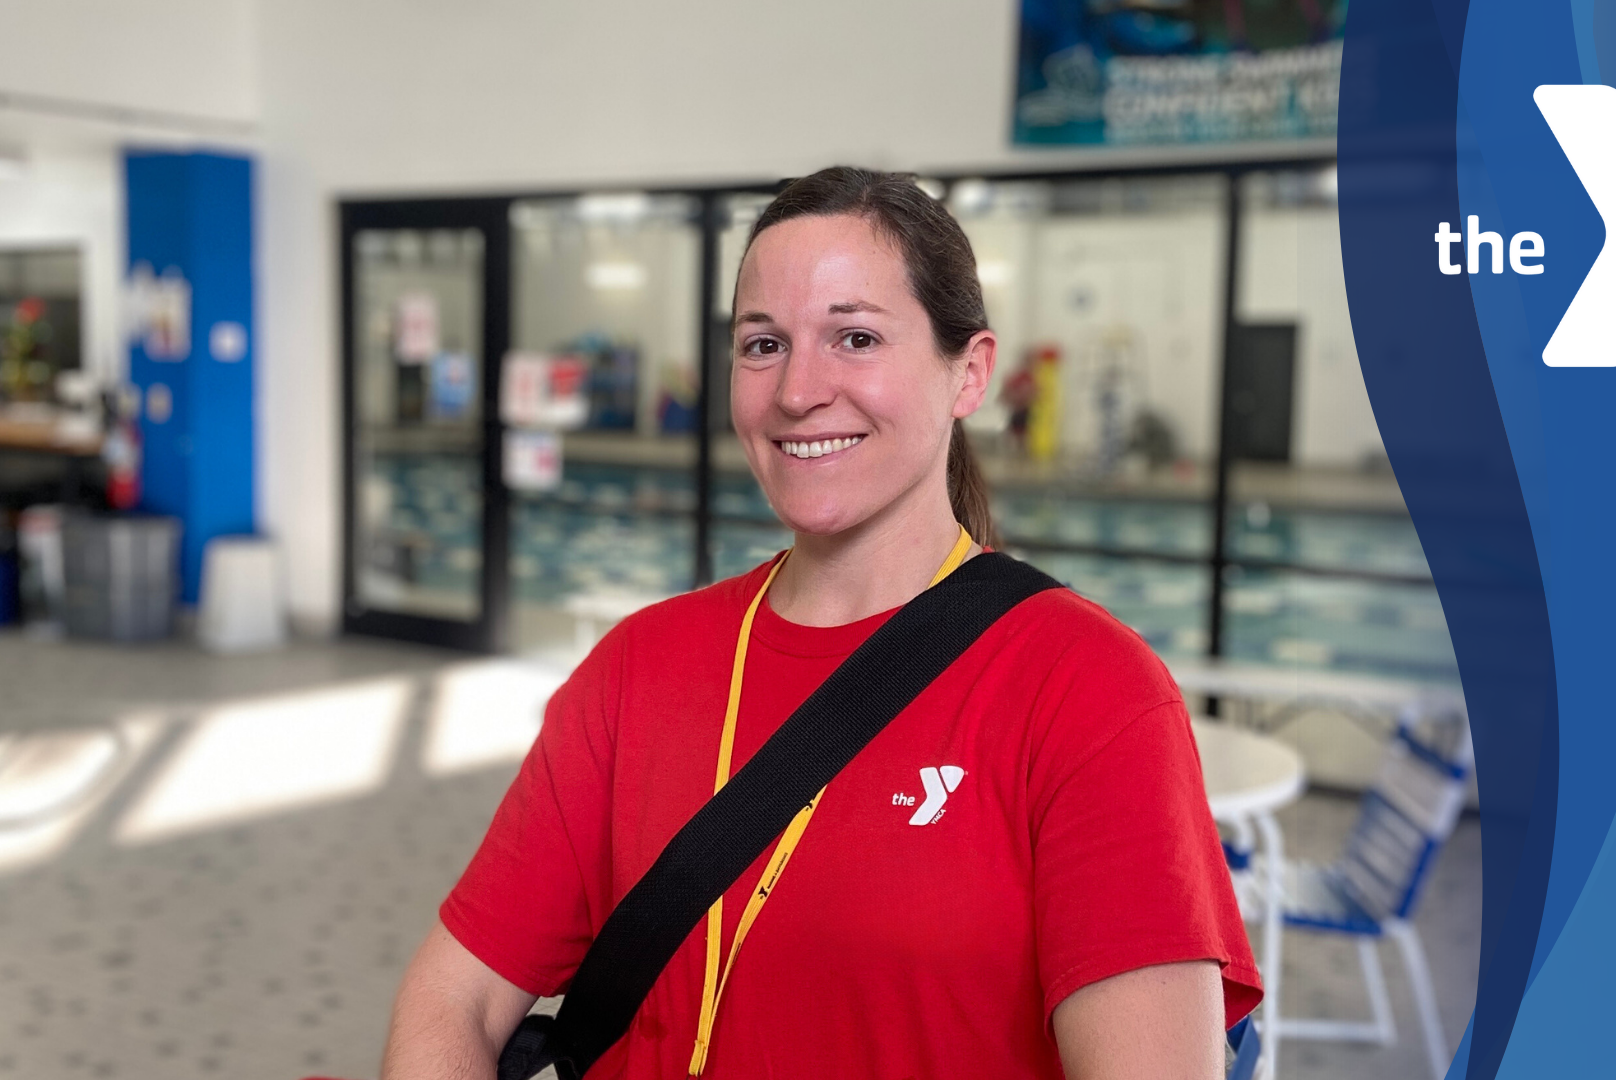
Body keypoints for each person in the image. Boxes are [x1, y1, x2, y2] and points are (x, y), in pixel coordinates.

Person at [382, 166, 1261, 1079]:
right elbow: (457, 996)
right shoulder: (638, 667)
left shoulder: (1086, 691)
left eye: (855, 336)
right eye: (762, 344)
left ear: (970, 372)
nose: (799, 390)